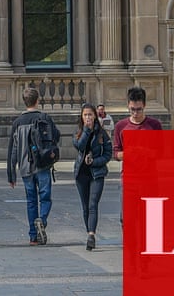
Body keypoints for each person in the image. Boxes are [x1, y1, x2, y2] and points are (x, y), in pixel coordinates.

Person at [8, 87, 61, 245]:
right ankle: (42, 220)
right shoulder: (45, 117)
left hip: (25, 167)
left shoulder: (17, 123)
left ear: (24, 102)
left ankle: (33, 236)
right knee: (45, 198)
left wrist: (11, 174)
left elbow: (13, 150)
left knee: (31, 201)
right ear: (37, 100)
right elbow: (56, 136)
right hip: (43, 164)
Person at [113, 86, 164, 226]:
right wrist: (129, 153)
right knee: (127, 218)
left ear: (145, 106)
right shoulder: (121, 126)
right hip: (129, 179)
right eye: (132, 109)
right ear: (128, 106)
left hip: (149, 178)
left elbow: (161, 152)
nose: (135, 113)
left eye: (139, 109)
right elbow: (116, 153)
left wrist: (144, 152)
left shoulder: (154, 125)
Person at [73, 103, 113, 250]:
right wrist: (86, 131)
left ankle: (91, 234)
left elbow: (108, 154)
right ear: (82, 117)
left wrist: (95, 162)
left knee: (92, 204)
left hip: (97, 174)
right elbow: (80, 146)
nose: (88, 117)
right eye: (85, 115)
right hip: (82, 174)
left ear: (95, 116)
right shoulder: (78, 132)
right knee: (85, 207)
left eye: (90, 114)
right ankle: (88, 231)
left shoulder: (102, 134)